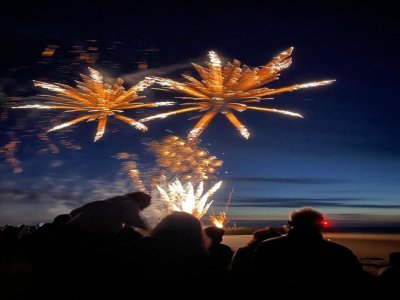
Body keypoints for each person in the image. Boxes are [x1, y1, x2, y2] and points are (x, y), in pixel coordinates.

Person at [249, 207, 366, 299]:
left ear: (290, 224)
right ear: (321, 226)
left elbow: (254, 276)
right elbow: (355, 281)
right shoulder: (340, 252)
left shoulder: (266, 246)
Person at [65, 191, 151, 236]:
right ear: (140, 201)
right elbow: (132, 218)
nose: (142, 209)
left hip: (68, 230)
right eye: (144, 206)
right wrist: (148, 228)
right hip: (89, 235)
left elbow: (73, 213)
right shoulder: (129, 203)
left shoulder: (108, 203)